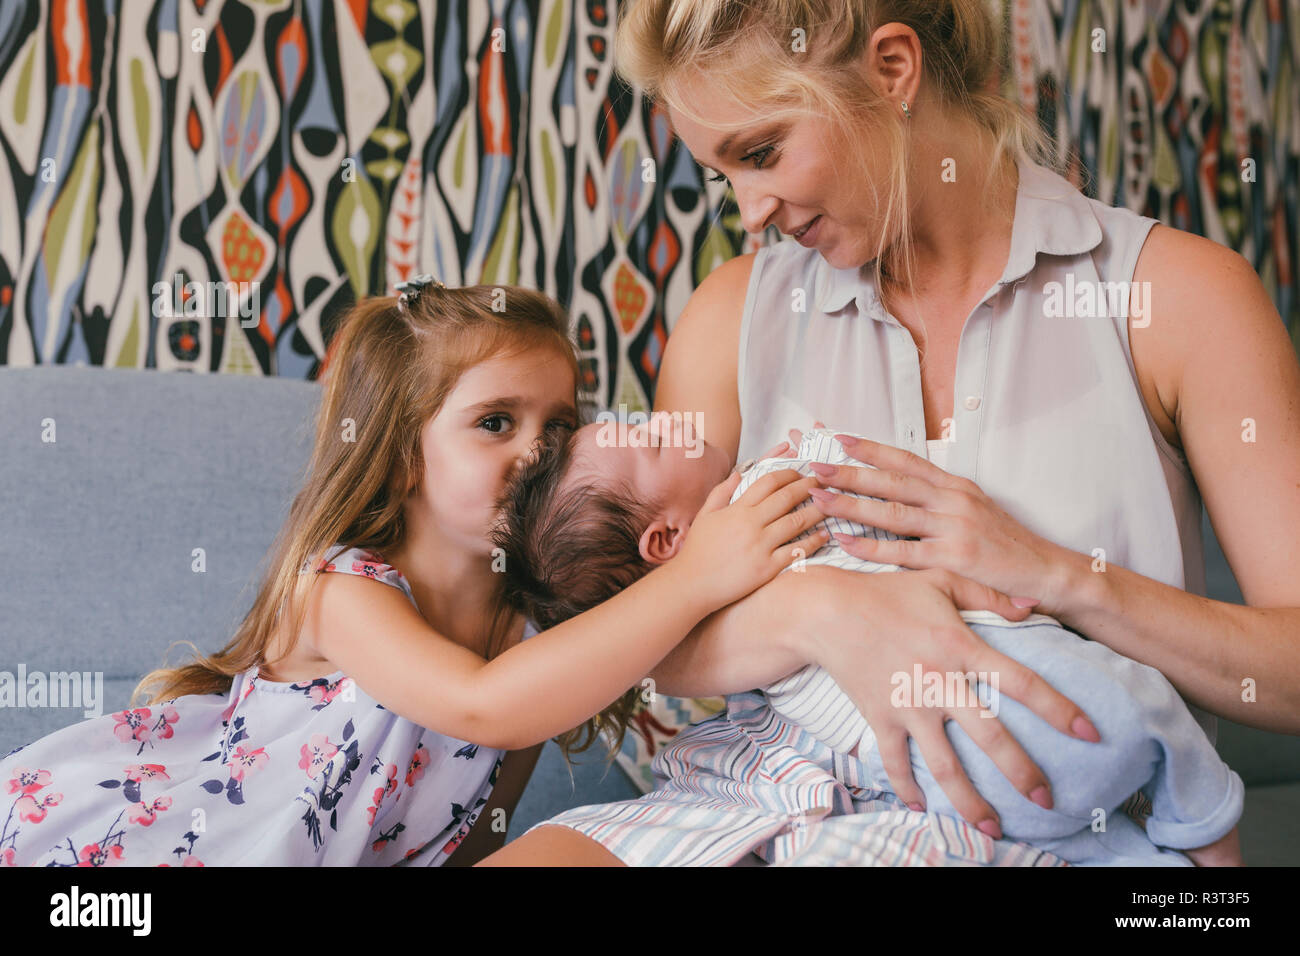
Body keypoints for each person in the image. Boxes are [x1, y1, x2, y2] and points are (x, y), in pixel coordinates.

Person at [479, 0, 1300, 866]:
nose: (751, 212)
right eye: (726, 176)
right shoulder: (734, 316)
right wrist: (817, 611)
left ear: (893, 70)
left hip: (1035, 832)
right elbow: (637, 620)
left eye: (761, 152)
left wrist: (1057, 576)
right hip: (763, 796)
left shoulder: (1178, 300)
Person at [0, 279, 826, 866]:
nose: (540, 449)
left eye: (561, 423)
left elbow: (478, 831)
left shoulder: (537, 638)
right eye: (495, 422)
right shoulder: (338, 591)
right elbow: (482, 704)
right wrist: (696, 579)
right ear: (402, 460)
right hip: (174, 840)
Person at [493, 417, 1245, 865]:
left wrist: (1065, 578)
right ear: (665, 537)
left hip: (923, 776)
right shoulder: (748, 497)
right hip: (791, 774)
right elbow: (633, 654)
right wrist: (801, 606)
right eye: (653, 439)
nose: (671, 421)